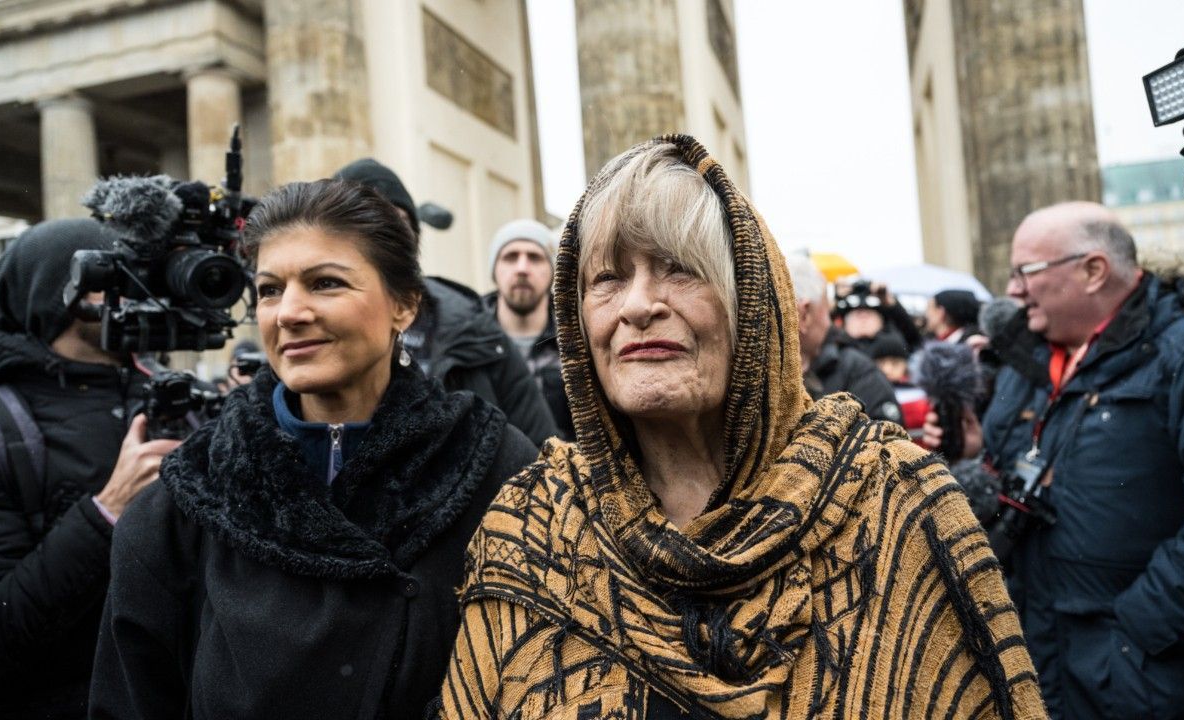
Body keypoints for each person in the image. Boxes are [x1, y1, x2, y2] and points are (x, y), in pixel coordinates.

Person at [434, 136, 1045, 718]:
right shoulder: (533, 528)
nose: (638, 304)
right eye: (608, 279)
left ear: (753, 302)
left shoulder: (894, 503)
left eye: (679, 268)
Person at [88, 179, 539, 718]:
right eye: (269, 290)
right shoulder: (189, 497)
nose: (288, 312)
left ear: (404, 304)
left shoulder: (493, 467)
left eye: (325, 283)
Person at [927, 201, 1184, 719]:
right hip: (1039, 661)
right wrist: (976, 456)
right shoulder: (1024, 365)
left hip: (1143, 680)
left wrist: (1136, 631)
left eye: (1026, 271)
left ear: (1094, 270)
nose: (1013, 290)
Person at [0, 219, 180, 719]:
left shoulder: (179, 400)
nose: (132, 294)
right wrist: (108, 512)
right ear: (57, 295)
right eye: (112, 278)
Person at [334, 158, 558, 445]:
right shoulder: (300, 329)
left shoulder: (477, 330)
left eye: (396, 224)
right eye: (363, 224)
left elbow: (544, 450)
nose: (382, 240)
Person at [784, 251, 901, 423]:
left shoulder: (859, 371)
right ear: (804, 314)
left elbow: (890, 434)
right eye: (826, 309)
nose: (829, 322)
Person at [484, 219, 574, 439]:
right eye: (510, 257)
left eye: (534, 257)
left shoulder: (576, 340)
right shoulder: (468, 339)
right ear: (494, 270)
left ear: (553, 271)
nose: (522, 268)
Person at [833, 279, 924, 358]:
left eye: (869, 315)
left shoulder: (891, 344)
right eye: (858, 315)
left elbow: (913, 338)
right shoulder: (838, 347)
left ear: (881, 322)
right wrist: (836, 301)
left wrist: (891, 304)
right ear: (845, 323)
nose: (863, 320)